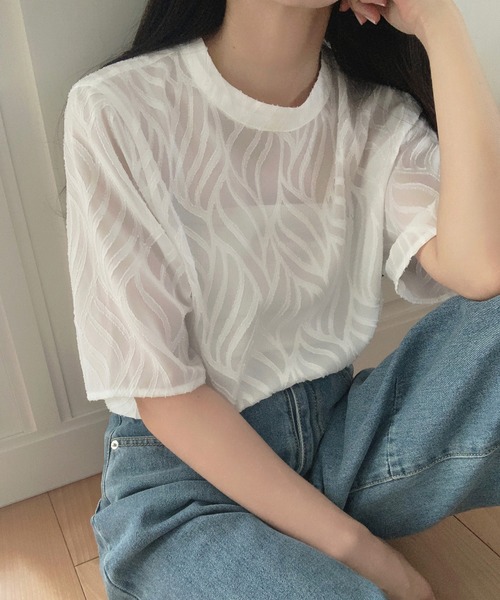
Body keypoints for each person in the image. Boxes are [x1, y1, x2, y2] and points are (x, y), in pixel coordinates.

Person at [63, 1, 500, 598]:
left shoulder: (374, 115)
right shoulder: (116, 108)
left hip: (340, 444)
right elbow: (167, 396)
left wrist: (440, 24)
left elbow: (483, 268)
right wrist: (369, 557)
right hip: (185, 487)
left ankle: (307, 538)